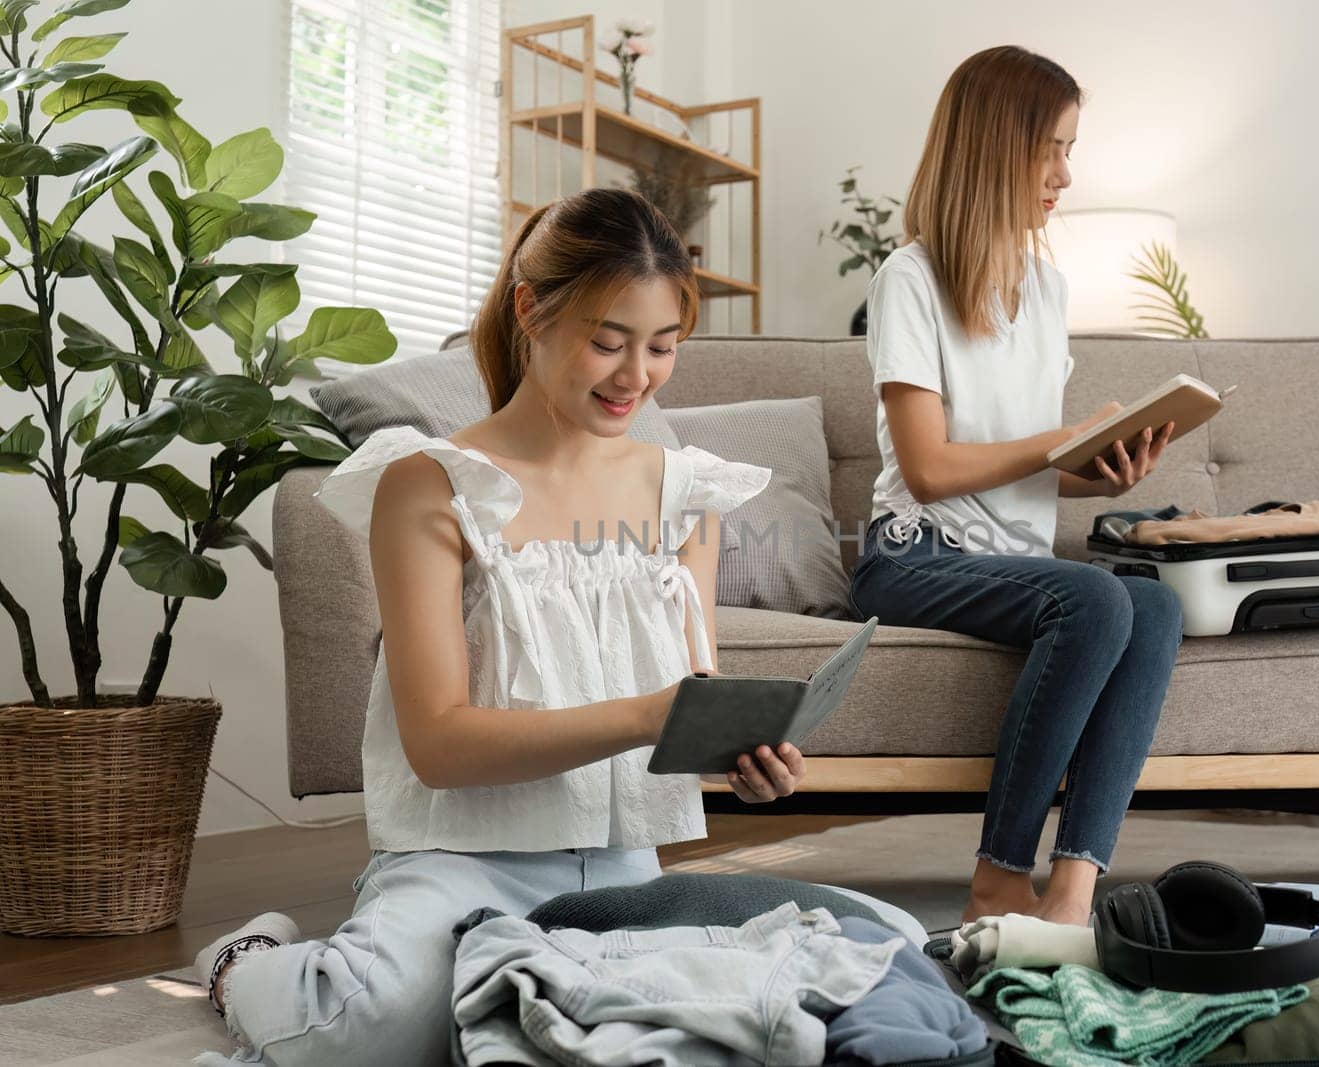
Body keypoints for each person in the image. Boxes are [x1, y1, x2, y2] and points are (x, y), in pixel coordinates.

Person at [192, 189, 814, 1067]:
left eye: (663, 346)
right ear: (532, 309)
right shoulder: (431, 483)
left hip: (620, 867)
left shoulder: (688, 495)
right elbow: (439, 744)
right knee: (361, 1030)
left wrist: (740, 758)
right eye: (608, 341)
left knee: (739, 1007)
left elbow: (687, 705)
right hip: (458, 858)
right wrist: (649, 713)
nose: (636, 375)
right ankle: (245, 962)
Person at [849, 46, 1185, 926]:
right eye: (1051, 149)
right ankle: (1000, 875)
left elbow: (1026, 465)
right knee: (1098, 603)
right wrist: (1052, 444)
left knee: (1150, 604)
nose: (1065, 175)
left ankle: (1073, 888)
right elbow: (928, 468)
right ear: (996, 147)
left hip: (1008, 557)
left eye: (1072, 149)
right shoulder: (909, 279)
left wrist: (1098, 466)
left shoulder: (1045, 287)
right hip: (913, 552)